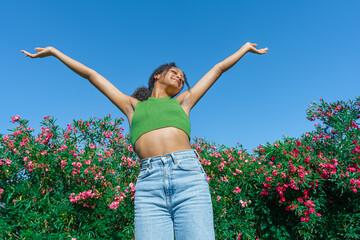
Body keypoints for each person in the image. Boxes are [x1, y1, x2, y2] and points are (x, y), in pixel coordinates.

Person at [21, 42, 268, 239]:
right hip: (149, 185)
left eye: (182, 78)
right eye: (175, 73)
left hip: (188, 178)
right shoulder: (132, 106)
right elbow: (91, 75)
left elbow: (218, 69)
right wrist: (55, 53)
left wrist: (245, 49)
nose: (180, 78)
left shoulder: (184, 102)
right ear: (157, 76)